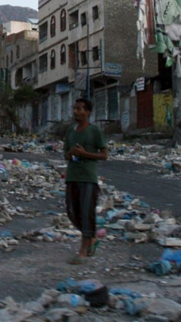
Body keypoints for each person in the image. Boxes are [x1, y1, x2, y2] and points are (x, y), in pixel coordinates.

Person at [63, 97, 108, 264]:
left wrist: (85, 154)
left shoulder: (95, 131)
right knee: (72, 212)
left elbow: (104, 155)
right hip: (72, 176)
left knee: (86, 213)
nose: (77, 112)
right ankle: (92, 238)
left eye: (80, 109)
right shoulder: (70, 132)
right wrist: (71, 154)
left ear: (88, 112)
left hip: (88, 178)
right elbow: (65, 154)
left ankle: (83, 250)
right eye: (75, 108)